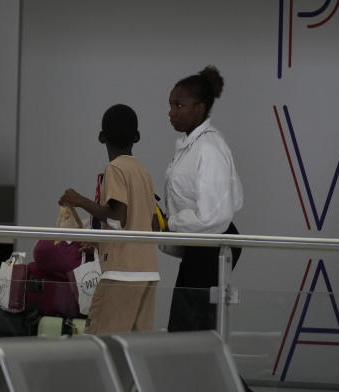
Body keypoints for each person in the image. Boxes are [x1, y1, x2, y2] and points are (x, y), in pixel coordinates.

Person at [59, 104, 160, 334]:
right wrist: (101, 241)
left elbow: (117, 218)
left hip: (121, 274)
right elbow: (152, 225)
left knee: (101, 344)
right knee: (134, 347)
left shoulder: (114, 169)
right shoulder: (144, 174)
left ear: (101, 137)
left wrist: (79, 200)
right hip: (149, 273)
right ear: (137, 137)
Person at [163, 65, 243, 332]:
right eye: (170, 105)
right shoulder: (192, 146)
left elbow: (213, 217)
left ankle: (221, 376)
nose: (171, 112)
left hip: (210, 251)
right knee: (185, 332)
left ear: (199, 108)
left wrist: (169, 224)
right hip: (198, 250)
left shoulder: (209, 149)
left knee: (195, 334)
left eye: (178, 105)